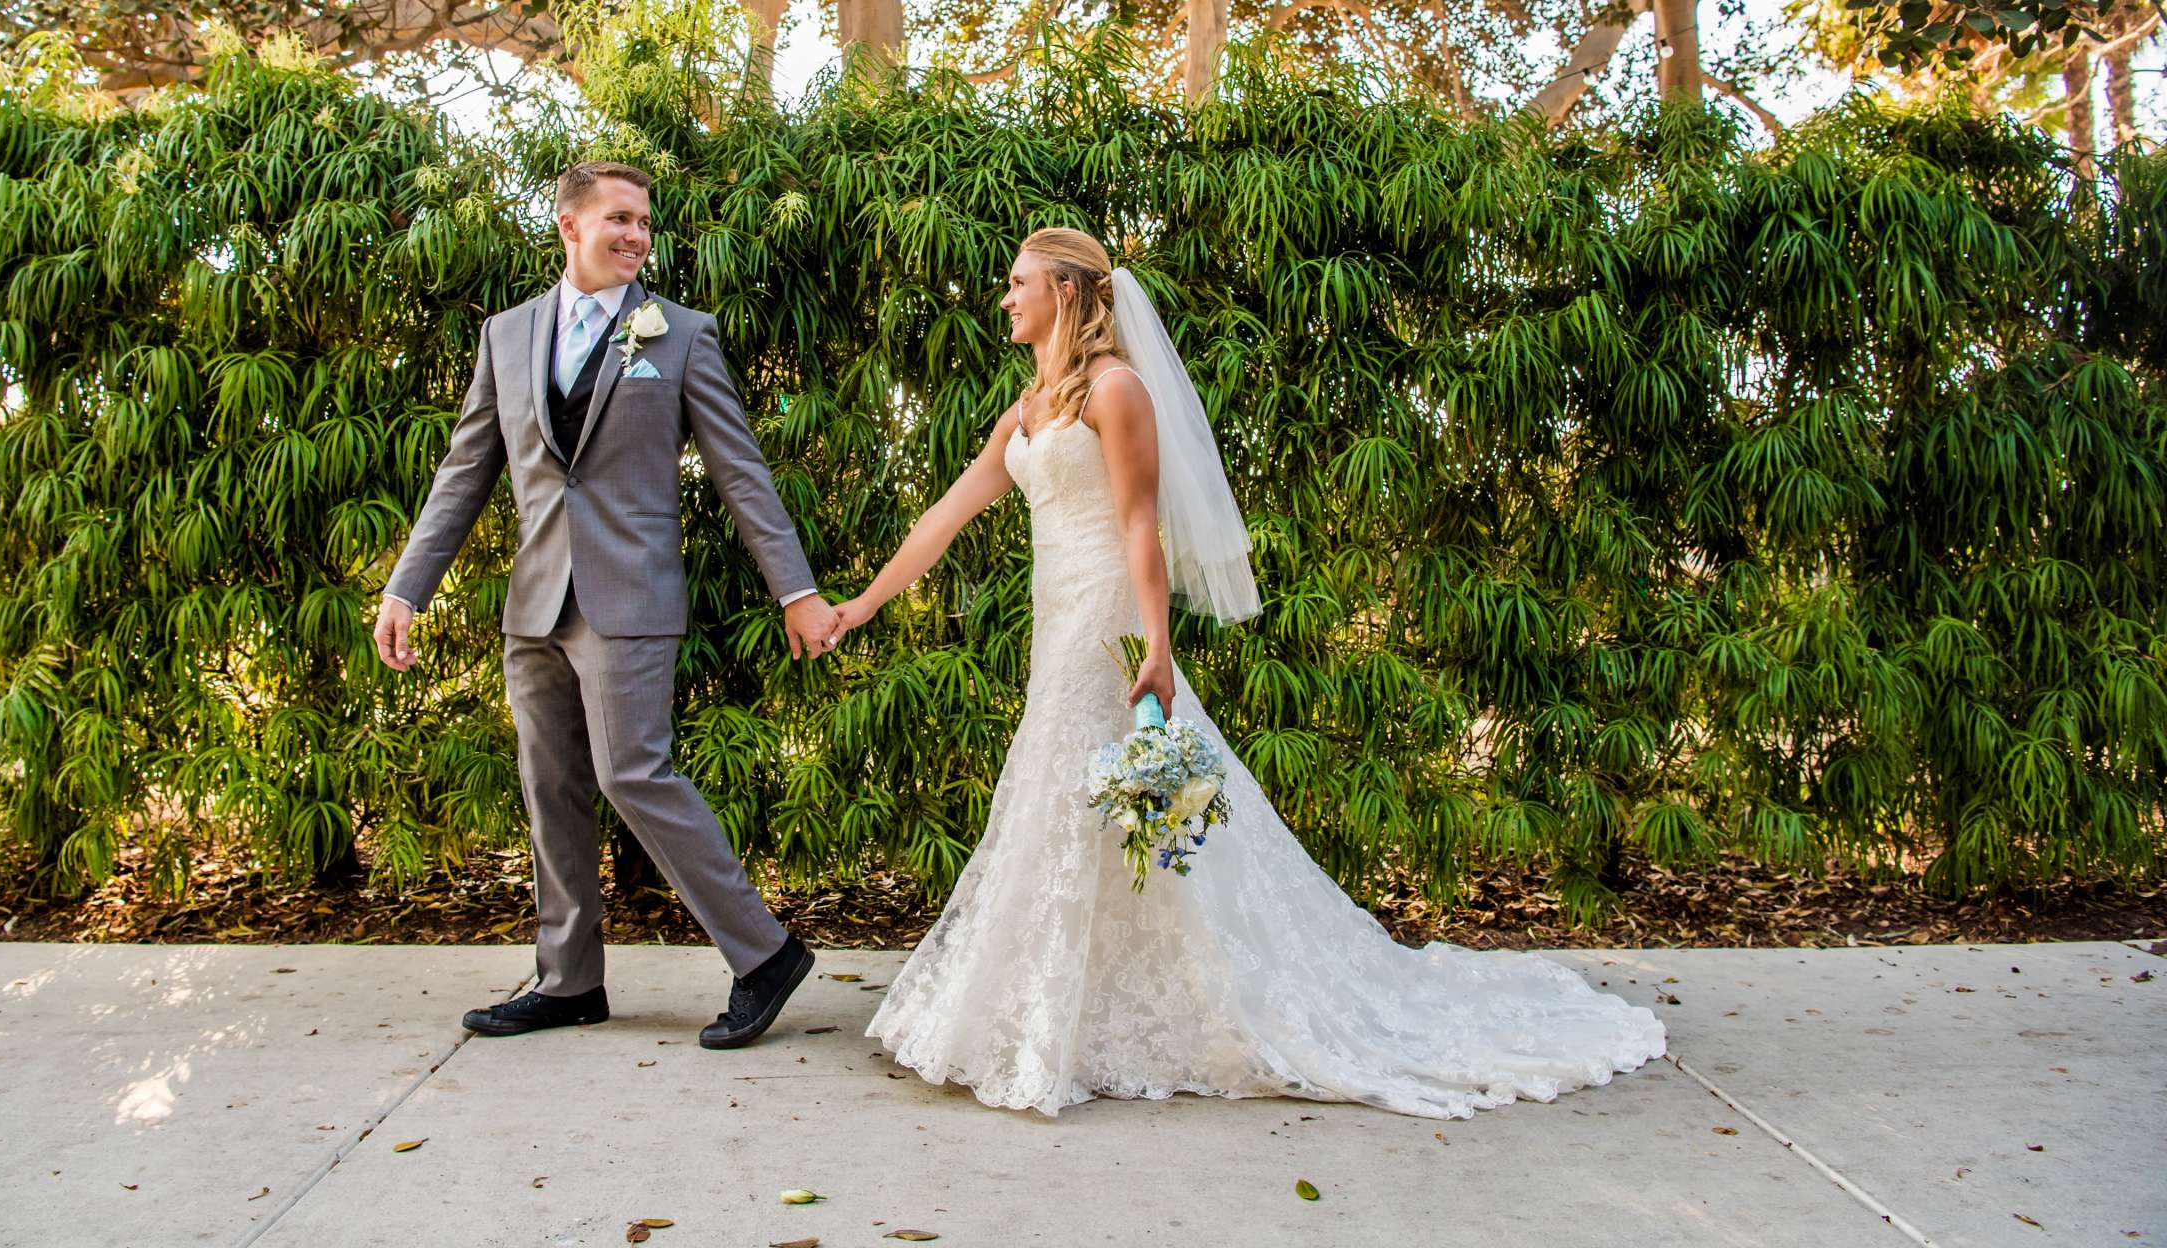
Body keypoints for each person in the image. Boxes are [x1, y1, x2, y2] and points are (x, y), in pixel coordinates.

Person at [823, 226, 1667, 1116]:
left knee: (1076, 782)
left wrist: (1157, 644)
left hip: (1104, 615)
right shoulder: (1028, 409)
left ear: (1065, 293)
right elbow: (947, 515)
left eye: (1018, 282)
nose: (1005, 298)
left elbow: (1140, 525)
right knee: (1076, 786)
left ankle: (1080, 1012)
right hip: (1053, 612)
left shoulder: (1117, 391)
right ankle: (1081, 1001)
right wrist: (863, 605)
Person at [374, 159, 836, 1049]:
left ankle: (766, 953)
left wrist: (797, 590)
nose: (636, 236)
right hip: (535, 603)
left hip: (631, 599)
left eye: (644, 223)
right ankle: (568, 982)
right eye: (619, 219)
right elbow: (466, 470)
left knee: (635, 774)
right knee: (551, 791)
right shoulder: (506, 337)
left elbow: (741, 471)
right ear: (568, 227)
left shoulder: (680, 334)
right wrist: (406, 587)